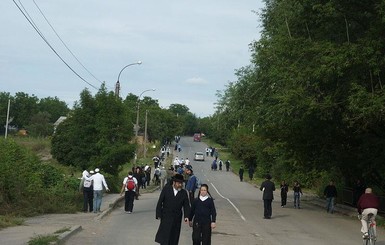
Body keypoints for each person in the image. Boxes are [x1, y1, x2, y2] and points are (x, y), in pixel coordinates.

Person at [155, 174, 191, 245]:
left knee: (174, 236)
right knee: (164, 236)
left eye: (181, 183)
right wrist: (158, 214)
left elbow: (186, 205)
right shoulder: (166, 189)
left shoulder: (184, 193)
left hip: (177, 218)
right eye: (178, 183)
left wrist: (186, 216)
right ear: (174, 182)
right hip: (166, 216)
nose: (180, 185)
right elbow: (160, 202)